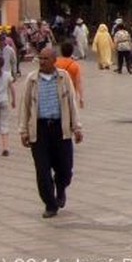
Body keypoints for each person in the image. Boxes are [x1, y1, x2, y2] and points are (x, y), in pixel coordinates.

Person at [19, 46, 83, 218]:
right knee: (42, 170)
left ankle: (61, 187)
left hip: (60, 128)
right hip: (39, 131)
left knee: (65, 169)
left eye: (45, 59)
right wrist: (23, 131)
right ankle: (50, 204)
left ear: (54, 61)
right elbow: (24, 106)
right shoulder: (32, 80)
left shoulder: (63, 77)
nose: (42, 62)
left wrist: (77, 127)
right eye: (40, 58)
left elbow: (71, 102)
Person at [55, 41, 84, 108]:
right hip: (71, 91)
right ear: (72, 51)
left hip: (58, 91)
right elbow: (78, 82)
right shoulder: (75, 65)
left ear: (61, 51)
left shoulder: (55, 63)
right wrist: (81, 98)